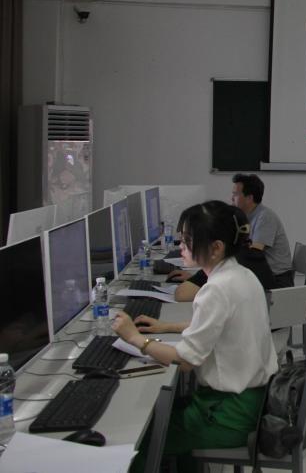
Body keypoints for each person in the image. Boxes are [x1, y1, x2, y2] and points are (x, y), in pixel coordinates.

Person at [112, 201, 278, 473]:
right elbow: (219, 327)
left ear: (216, 247)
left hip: (227, 416)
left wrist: (135, 338)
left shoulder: (215, 289)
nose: (182, 246)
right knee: (162, 416)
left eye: (188, 241)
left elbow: (186, 361)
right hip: (251, 403)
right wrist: (166, 327)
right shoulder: (242, 275)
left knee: (137, 441)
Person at [168, 205, 275, 301]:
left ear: (216, 247)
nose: (181, 246)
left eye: (187, 239)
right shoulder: (247, 259)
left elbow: (182, 294)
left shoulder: (219, 280)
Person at [231, 173, 294, 288]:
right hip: (262, 276)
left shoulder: (265, 217)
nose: (231, 198)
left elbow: (254, 253)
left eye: (235, 194)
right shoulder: (246, 217)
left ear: (249, 198)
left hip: (278, 280)